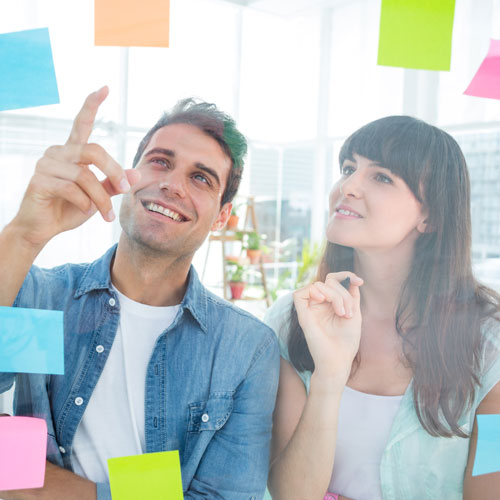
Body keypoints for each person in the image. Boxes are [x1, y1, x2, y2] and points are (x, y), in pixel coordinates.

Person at [0, 87, 279, 500]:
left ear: (222, 216)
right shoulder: (45, 298)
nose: (171, 184)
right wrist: (24, 234)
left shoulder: (245, 348)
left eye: (200, 177)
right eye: (160, 161)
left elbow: (223, 497)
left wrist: (36, 488)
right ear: (126, 179)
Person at [265, 116, 500, 500]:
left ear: (431, 215)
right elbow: (291, 495)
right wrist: (329, 374)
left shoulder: (491, 347)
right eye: (348, 169)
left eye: (382, 177)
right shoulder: (292, 321)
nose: (348, 186)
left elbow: (492, 483)